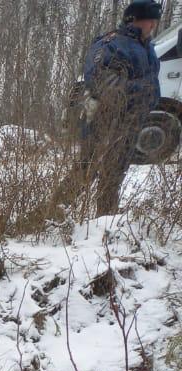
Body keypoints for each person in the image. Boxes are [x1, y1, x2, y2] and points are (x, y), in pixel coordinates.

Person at [78, 1, 162, 215]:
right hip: (105, 120)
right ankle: (52, 213)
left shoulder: (147, 47)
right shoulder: (111, 43)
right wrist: (140, 90)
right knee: (85, 169)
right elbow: (100, 81)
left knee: (116, 170)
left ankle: (105, 216)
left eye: (154, 21)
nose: (153, 25)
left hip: (132, 121)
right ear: (134, 20)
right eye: (149, 20)